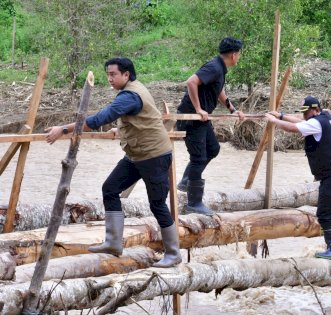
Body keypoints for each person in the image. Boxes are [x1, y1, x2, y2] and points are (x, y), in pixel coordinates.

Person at [45, 57, 181, 268]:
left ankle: (173, 253)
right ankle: (113, 242)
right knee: (110, 188)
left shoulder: (130, 95)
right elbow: (141, 118)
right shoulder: (131, 91)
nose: (109, 78)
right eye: (108, 74)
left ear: (126, 75)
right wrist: (122, 129)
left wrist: (63, 129)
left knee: (157, 204)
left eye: (113, 74)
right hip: (136, 154)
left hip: (154, 156)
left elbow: (100, 118)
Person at [265, 96, 331, 261]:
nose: (304, 115)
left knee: (324, 215)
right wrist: (281, 115)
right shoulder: (325, 117)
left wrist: (274, 121)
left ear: (314, 110)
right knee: (330, 213)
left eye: (306, 112)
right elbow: (299, 120)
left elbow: (293, 128)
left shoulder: (315, 123)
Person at [175, 37, 245, 215]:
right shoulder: (214, 66)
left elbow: (218, 90)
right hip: (191, 118)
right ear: (234, 54)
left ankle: (186, 180)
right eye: (239, 54)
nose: (239, 57)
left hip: (202, 119)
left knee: (213, 149)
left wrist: (232, 109)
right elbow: (191, 82)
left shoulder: (220, 69)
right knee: (198, 158)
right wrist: (198, 108)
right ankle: (194, 203)